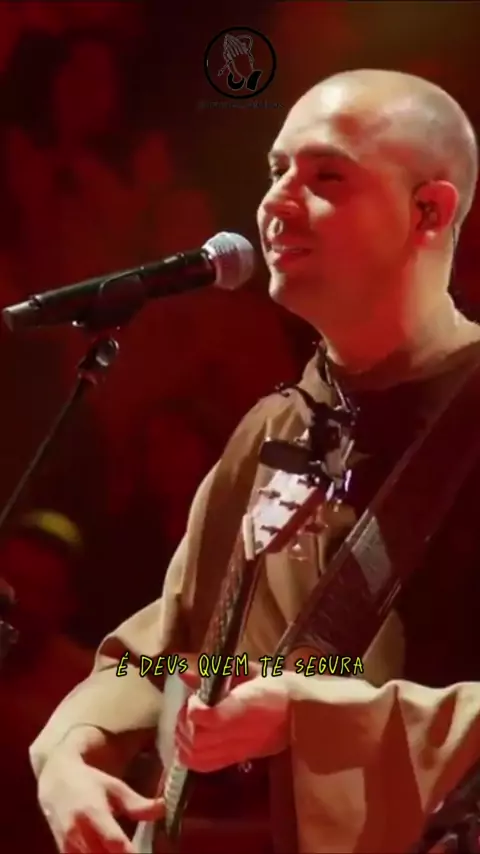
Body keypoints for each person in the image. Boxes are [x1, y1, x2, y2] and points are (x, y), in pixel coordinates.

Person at [29, 68, 480, 854]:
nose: (275, 201)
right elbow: (168, 657)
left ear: (429, 211)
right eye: (276, 171)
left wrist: (316, 716)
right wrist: (75, 746)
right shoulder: (276, 426)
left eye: (326, 176)